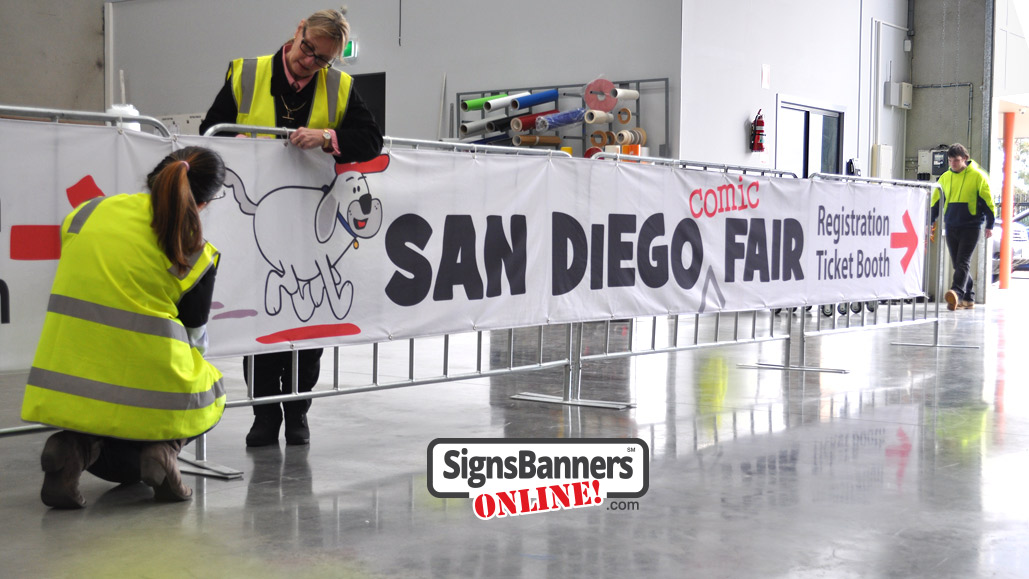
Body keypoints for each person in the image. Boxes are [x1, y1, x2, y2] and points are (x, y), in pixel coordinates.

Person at [198, 8, 383, 448]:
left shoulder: (340, 87)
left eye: (323, 60)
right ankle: (264, 417)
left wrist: (327, 137)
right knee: (261, 320)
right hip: (258, 226)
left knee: (309, 325)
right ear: (297, 32)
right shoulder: (246, 74)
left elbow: (371, 139)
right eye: (308, 50)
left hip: (311, 224)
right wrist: (233, 142)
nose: (310, 62)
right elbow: (209, 131)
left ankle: (298, 412)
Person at [21, 146, 228, 508]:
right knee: (212, 390)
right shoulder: (193, 249)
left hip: (71, 379)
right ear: (205, 203)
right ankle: (163, 451)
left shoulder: (89, 212)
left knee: (108, 408)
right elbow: (195, 335)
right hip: (147, 391)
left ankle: (76, 449)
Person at [930, 143, 996, 311]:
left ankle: (956, 294)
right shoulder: (944, 177)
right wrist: (930, 221)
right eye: (950, 160)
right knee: (958, 264)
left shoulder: (978, 176)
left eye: (956, 160)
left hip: (971, 226)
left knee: (963, 262)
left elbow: (988, 202)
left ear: (965, 158)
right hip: (951, 225)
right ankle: (968, 298)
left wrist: (990, 224)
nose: (953, 163)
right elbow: (936, 202)